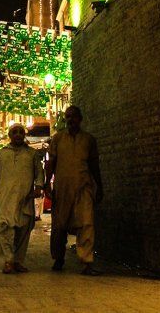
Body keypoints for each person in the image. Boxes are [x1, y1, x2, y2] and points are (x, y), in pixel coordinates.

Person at [46, 105, 103, 276]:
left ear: (80, 118)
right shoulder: (57, 139)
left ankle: (86, 261)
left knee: (86, 223)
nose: (70, 120)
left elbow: (94, 165)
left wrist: (99, 186)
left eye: (74, 116)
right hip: (62, 187)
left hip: (83, 186)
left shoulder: (88, 140)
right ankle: (58, 258)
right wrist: (46, 183)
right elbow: (51, 163)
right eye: (68, 117)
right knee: (59, 225)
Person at [0, 123, 44, 274]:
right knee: (5, 229)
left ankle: (17, 261)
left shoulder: (31, 154)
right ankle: (8, 261)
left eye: (20, 132)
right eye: (14, 132)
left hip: (25, 198)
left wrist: (38, 187)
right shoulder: (2, 154)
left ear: (24, 135)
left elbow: (39, 172)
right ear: (10, 135)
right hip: (5, 198)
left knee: (24, 230)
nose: (18, 134)